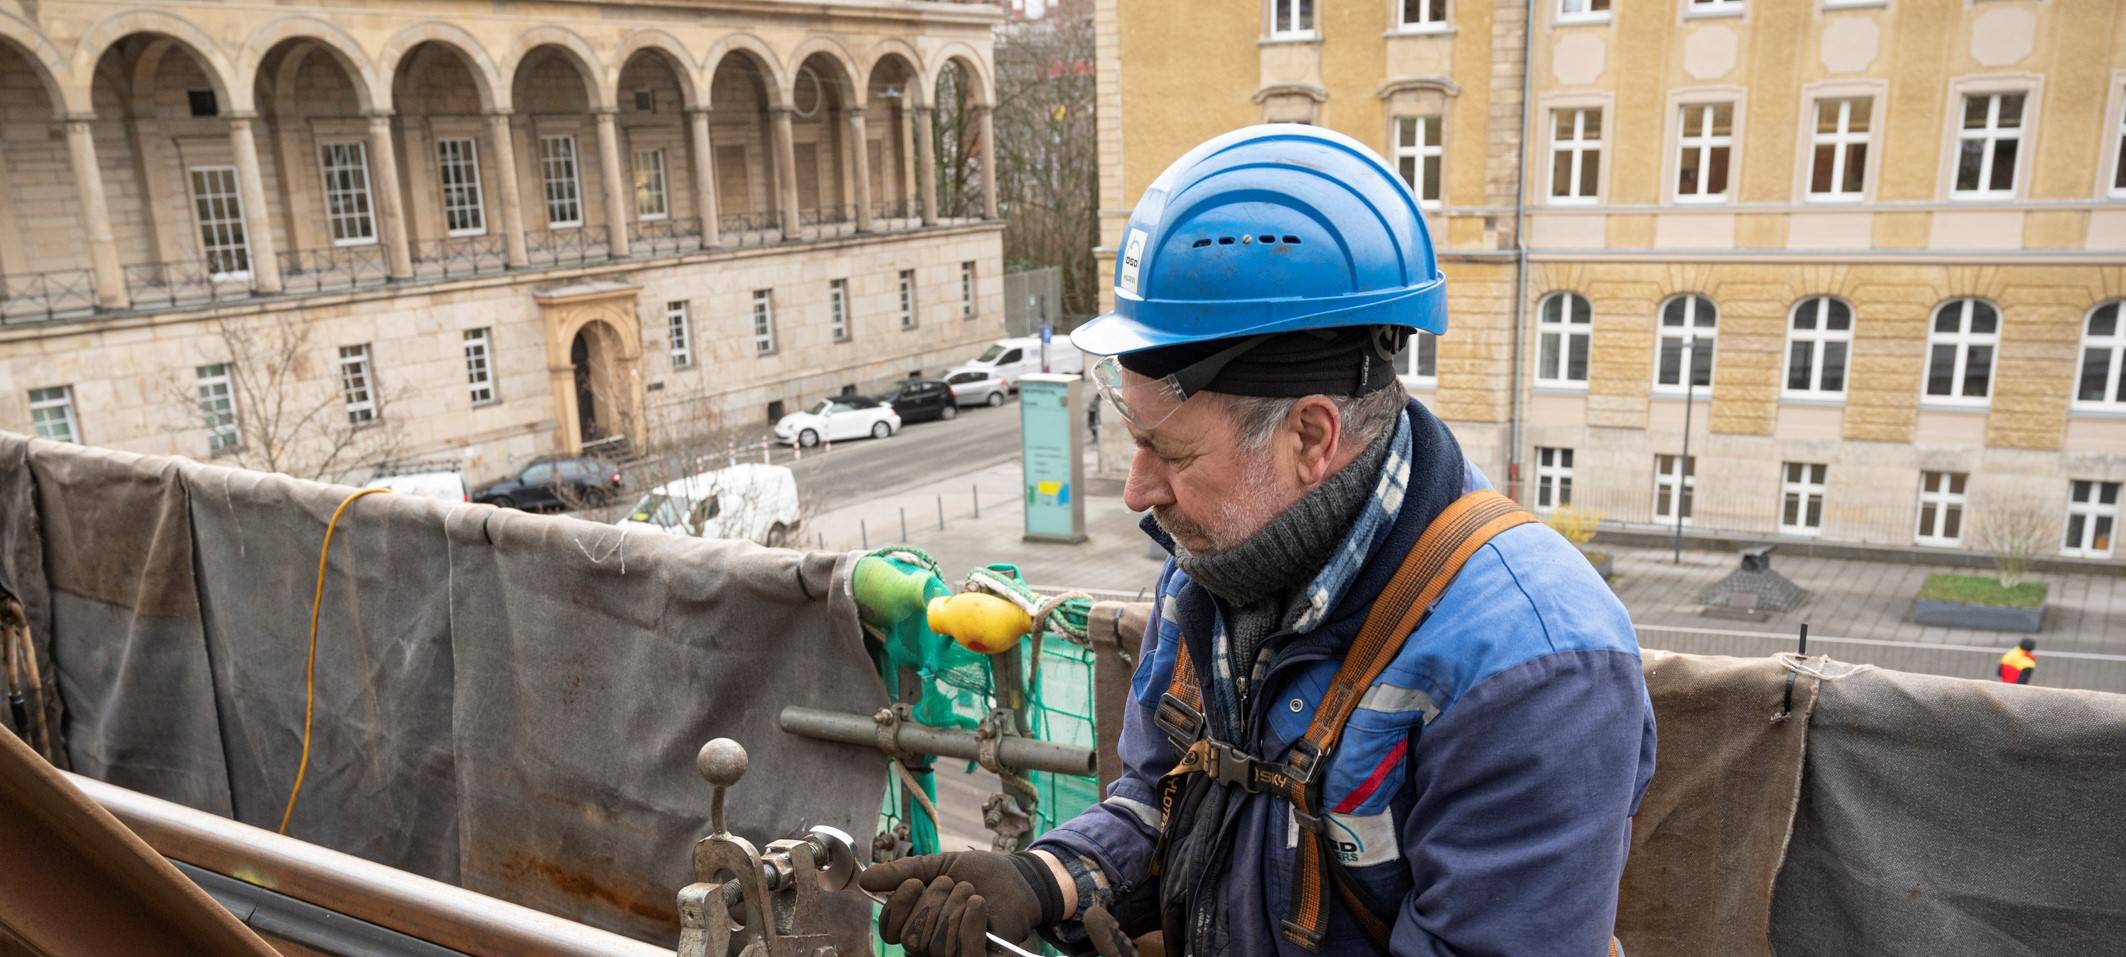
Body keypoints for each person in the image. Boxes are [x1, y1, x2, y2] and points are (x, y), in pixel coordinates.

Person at [859, 125, 1656, 957]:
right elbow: (1162, 794)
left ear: (1311, 439)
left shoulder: (1536, 668)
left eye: (1167, 451)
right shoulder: (1218, 563)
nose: (1136, 491)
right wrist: (1046, 879)